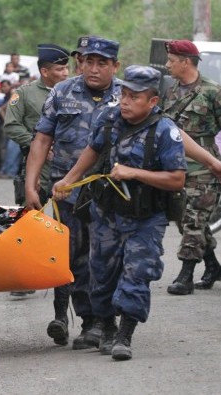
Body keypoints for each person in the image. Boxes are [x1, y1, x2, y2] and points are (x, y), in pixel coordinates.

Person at [52, 65, 187, 361]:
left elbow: (177, 178)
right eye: (124, 94)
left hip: (146, 217)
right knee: (101, 273)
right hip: (108, 213)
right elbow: (92, 149)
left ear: (152, 101)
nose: (125, 101)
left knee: (138, 272)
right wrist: (69, 179)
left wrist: (135, 173)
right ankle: (107, 327)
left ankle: (125, 334)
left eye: (134, 97)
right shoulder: (110, 118)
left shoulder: (165, 130)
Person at [26, 36, 122, 352]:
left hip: (113, 192)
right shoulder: (62, 92)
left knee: (109, 258)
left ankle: (108, 319)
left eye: (101, 63)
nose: (92, 69)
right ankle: (89, 322)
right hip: (67, 192)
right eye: (87, 61)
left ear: (115, 66)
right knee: (77, 258)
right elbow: (41, 140)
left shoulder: (127, 94)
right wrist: (30, 185)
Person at [4, 43, 70, 297]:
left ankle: (63, 274)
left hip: (69, 168)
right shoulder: (25, 94)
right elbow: (11, 125)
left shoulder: (74, 92)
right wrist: (36, 145)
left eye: (67, 68)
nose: (65, 73)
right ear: (45, 71)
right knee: (29, 221)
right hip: (35, 167)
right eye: (60, 69)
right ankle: (25, 278)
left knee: (67, 222)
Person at [161, 40, 221, 295]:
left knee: (194, 219)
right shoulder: (171, 90)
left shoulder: (212, 91)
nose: (167, 65)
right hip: (176, 165)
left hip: (205, 167)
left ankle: (185, 275)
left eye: (171, 61)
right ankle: (213, 266)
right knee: (183, 219)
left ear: (186, 62)